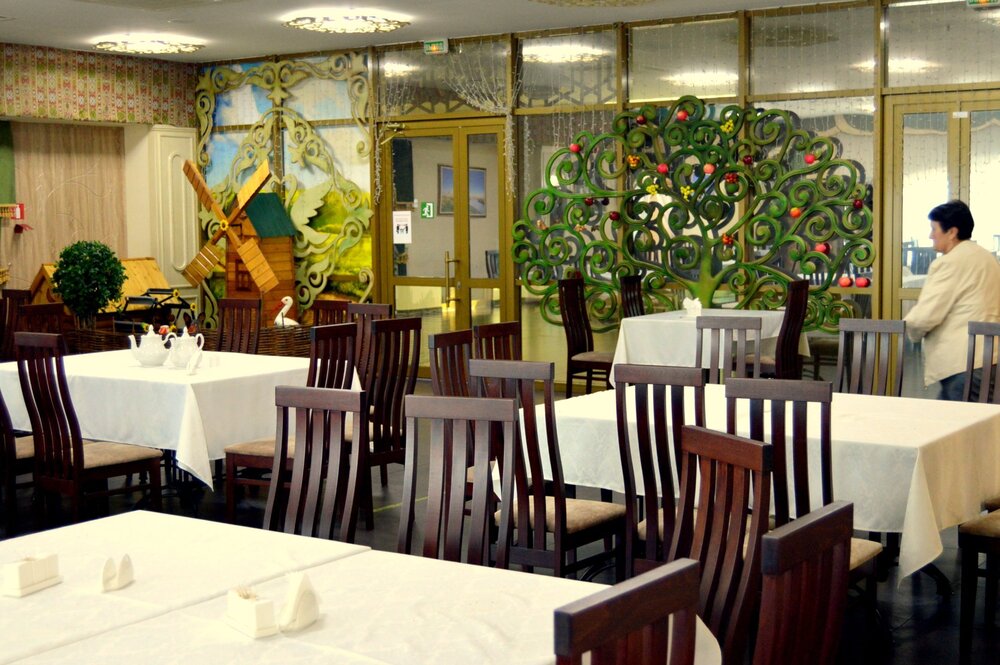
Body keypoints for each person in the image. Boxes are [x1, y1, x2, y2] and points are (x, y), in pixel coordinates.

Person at [904, 200, 1000, 400]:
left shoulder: (949, 262)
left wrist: (910, 332)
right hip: (989, 356)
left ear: (952, 232)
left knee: (958, 418)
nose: (930, 235)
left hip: (962, 362)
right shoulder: (987, 258)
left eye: (934, 229)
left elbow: (925, 316)